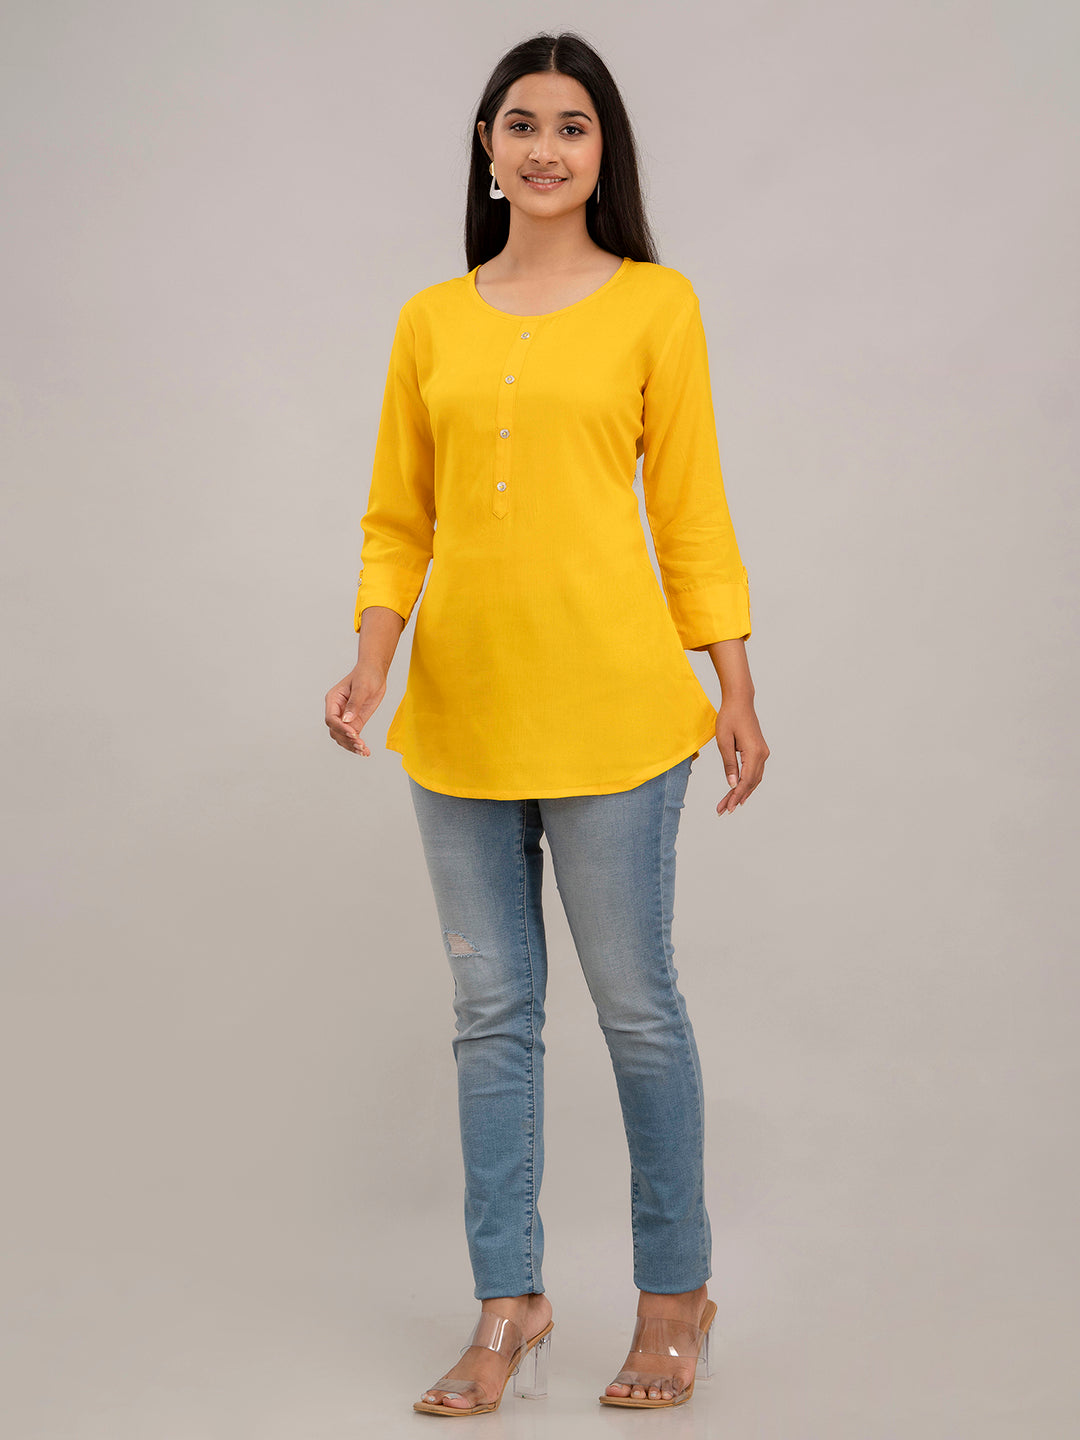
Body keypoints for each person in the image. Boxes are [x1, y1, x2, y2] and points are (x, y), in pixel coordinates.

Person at [324, 30, 770, 1416]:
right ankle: (507, 1304)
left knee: (638, 1010)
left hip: (616, 714)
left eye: (572, 126)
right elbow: (400, 517)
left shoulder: (656, 306)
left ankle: (674, 1294)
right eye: (521, 123)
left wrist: (735, 683)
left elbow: (689, 509)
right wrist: (370, 663)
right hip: (460, 713)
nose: (545, 148)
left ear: (602, 152)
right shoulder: (431, 320)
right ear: (487, 146)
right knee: (491, 1016)